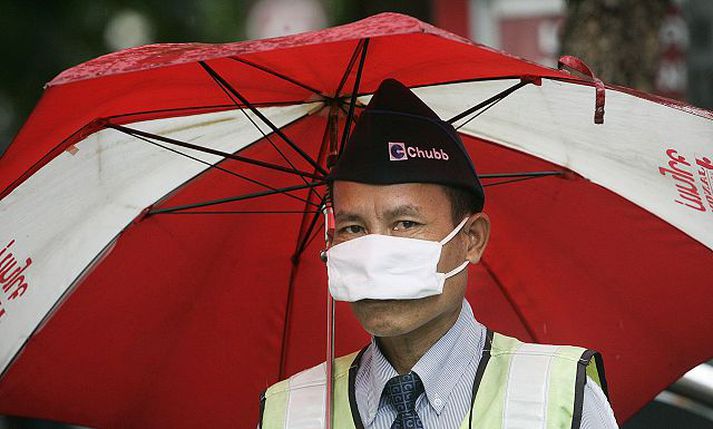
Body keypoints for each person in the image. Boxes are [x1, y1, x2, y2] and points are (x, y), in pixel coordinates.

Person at [259, 79, 618, 428]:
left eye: (405, 223)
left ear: (472, 239)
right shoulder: (291, 412)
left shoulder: (558, 399)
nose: (373, 253)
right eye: (353, 228)